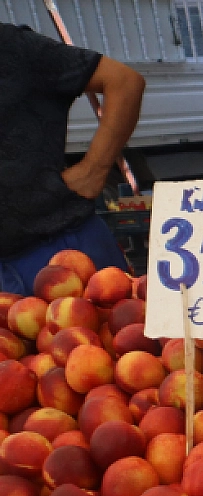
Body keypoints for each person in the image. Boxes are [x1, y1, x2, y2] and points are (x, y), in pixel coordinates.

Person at [0, 22, 144, 293]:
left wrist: (94, 168)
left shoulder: (10, 45)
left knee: (110, 331)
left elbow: (123, 82)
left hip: (59, 246)